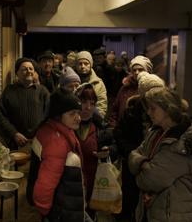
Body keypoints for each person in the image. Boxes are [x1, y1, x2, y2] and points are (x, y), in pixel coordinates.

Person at [129, 88, 192, 222]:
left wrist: (140, 165)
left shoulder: (181, 143)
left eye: (153, 108)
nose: (148, 112)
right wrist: (144, 163)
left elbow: (149, 180)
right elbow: (133, 154)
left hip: (171, 214)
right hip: (157, 210)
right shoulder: (156, 131)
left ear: (167, 109)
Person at [27, 88, 92, 222]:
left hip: (65, 202)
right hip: (62, 210)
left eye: (78, 113)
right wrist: (45, 211)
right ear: (58, 115)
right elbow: (45, 184)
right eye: (72, 113)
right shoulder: (56, 143)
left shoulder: (54, 128)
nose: (78, 118)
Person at [113, 72, 165, 222]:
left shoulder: (165, 114)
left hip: (156, 170)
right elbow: (119, 134)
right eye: (151, 93)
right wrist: (133, 153)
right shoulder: (132, 112)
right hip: (133, 168)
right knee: (130, 202)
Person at [75, 84, 118, 219]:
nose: (88, 107)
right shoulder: (67, 124)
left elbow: (115, 147)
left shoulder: (100, 126)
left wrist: (108, 151)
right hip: (72, 183)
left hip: (93, 181)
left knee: (90, 214)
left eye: (92, 103)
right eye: (83, 102)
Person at [0, 57, 50, 150]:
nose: (28, 71)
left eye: (31, 69)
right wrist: (14, 133)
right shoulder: (9, 91)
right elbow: (2, 116)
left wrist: (41, 133)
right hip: (16, 143)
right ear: (17, 73)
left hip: (39, 141)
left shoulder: (42, 91)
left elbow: (49, 115)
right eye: (24, 69)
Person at [109, 55, 153, 127]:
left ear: (148, 71)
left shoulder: (152, 89)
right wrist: (114, 126)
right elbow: (115, 110)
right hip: (122, 132)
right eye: (134, 70)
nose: (137, 72)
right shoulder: (125, 88)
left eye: (140, 69)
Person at [75, 51, 107, 118]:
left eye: (86, 63)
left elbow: (101, 106)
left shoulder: (98, 84)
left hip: (91, 121)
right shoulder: (70, 81)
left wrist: (96, 119)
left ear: (91, 65)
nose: (83, 66)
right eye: (80, 64)